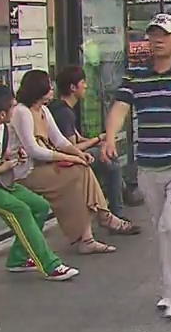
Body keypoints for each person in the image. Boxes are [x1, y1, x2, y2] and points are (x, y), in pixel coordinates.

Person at [102, 14, 171, 319]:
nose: (157, 40)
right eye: (153, 35)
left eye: (163, 35)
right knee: (162, 228)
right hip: (149, 166)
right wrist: (110, 137)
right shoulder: (136, 76)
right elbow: (120, 107)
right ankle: (169, 290)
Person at [0, 85, 79, 281]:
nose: (16, 110)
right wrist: (2, 168)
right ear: (3, 113)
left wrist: (10, 158)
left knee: (40, 205)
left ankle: (18, 258)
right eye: (12, 107)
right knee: (19, 209)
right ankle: (50, 265)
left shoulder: (1, 127)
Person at [12, 70, 137, 256]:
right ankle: (103, 220)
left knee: (82, 169)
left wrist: (79, 154)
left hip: (46, 166)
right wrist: (70, 157)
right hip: (28, 171)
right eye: (47, 85)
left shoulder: (44, 110)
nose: (52, 89)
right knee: (77, 175)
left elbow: (60, 141)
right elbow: (33, 150)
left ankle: (93, 230)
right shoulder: (22, 112)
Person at [48, 65, 134, 222]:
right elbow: (71, 148)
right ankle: (117, 212)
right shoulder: (64, 113)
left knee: (106, 153)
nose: (86, 86)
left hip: (68, 155)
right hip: (65, 160)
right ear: (73, 87)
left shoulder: (62, 108)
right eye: (83, 82)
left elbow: (78, 139)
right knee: (111, 161)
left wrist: (102, 140)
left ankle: (119, 199)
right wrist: (98, 140)